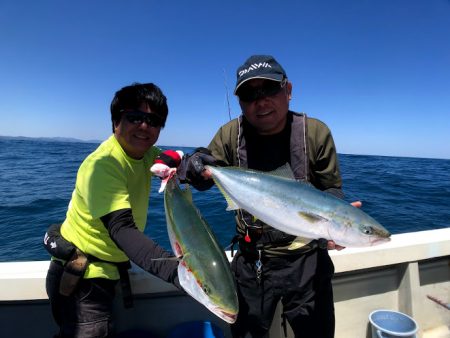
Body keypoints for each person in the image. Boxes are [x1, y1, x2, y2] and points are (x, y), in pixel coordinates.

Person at [180, 55, 354, 338]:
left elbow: (331, 188)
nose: (261, 101)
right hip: (252, 261)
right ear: (240, 102)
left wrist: (337, 221)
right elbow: (203, 167)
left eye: (270, 89)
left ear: (288, 90)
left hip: (307, 261)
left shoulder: (314, 133)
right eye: (250, 94)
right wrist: (195, 164)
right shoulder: (230, 134)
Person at [44, 83, 181, 338]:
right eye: (135, 117)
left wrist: (194, 160)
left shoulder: (146, 154)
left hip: (107, 270)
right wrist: (178, 272)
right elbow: (122, 229)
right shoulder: (102, 164)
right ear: (116, 121)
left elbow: (170, 158)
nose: (144, 126)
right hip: (82, 279)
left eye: (153, 120)